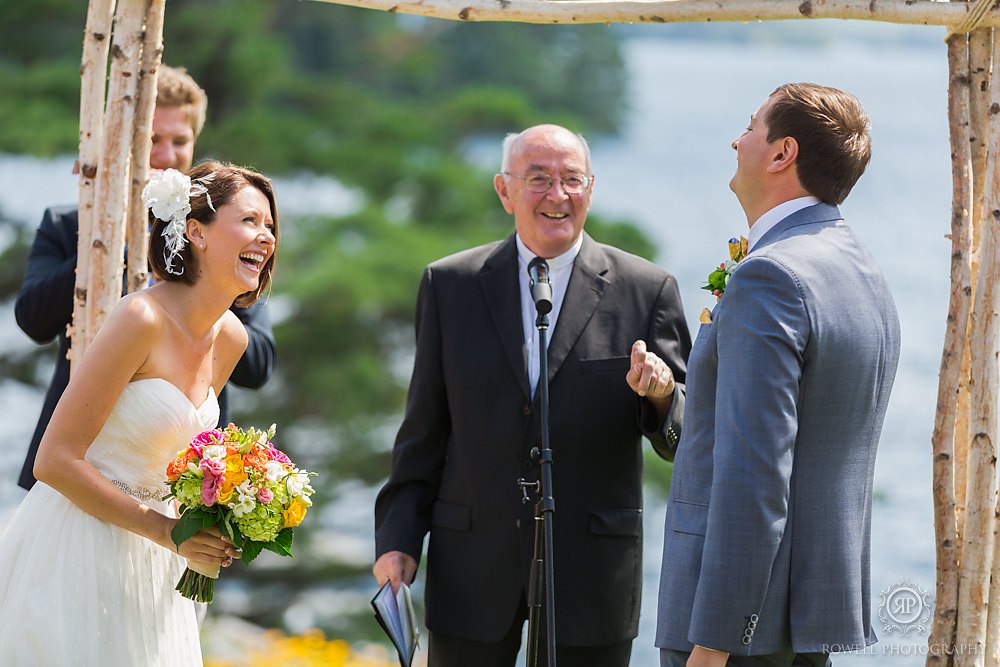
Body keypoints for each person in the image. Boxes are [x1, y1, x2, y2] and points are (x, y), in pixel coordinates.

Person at [373, 123, 692, 666]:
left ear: (591, 189)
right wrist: (398, 540)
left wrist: (662, 395)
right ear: (505, 191)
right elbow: (424, 429)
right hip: (471, 568)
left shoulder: (647, 289)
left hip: (591, 574)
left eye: (572, 180)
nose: (557, 195)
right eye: (539, 179)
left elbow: (684, 436)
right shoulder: (449, 285)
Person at [655, 83, 901, 667]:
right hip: (810, 617)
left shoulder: (770, 277)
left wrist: (714, 643)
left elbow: (755, 472)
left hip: (739, 632)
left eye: (749, 125)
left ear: (782, 153)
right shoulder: (863, 269)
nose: (735, 140)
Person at [0, 161, 279, 664]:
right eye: (250, 221)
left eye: (270, 226)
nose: (265, 237)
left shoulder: (232, 339)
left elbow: (183, 459)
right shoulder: (139, 318)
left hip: (156, 565)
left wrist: (224, 511)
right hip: (79, 545)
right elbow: (55, 461)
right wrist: (164, 531)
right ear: (196, 232)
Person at [13, 65, 276, 491]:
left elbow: (259, 364)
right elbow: (33, 320)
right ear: (125, 141)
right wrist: (111, 230)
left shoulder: (220, 239)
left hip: (180, 477)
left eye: (179, 141)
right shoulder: (68, 224)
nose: (166, 155)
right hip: (75, 462)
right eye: (152, 139)